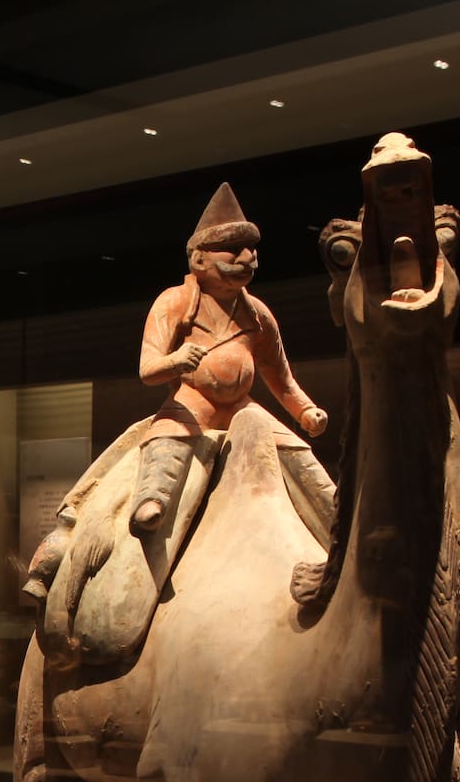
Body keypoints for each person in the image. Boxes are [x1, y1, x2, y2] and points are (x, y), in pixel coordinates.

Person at [131, 183, 328, 534]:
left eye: (251, 249)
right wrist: (176, 361)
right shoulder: (174, 302)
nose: (247, 257)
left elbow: (281, 378)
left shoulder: (257, 315)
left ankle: (332, 512)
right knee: (167, 447)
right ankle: (152, 501)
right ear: (199, 258)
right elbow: (148, 369)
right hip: (192, 405)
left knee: (297, 453)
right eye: (231, 250)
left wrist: (305, 411)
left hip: (242, 407)